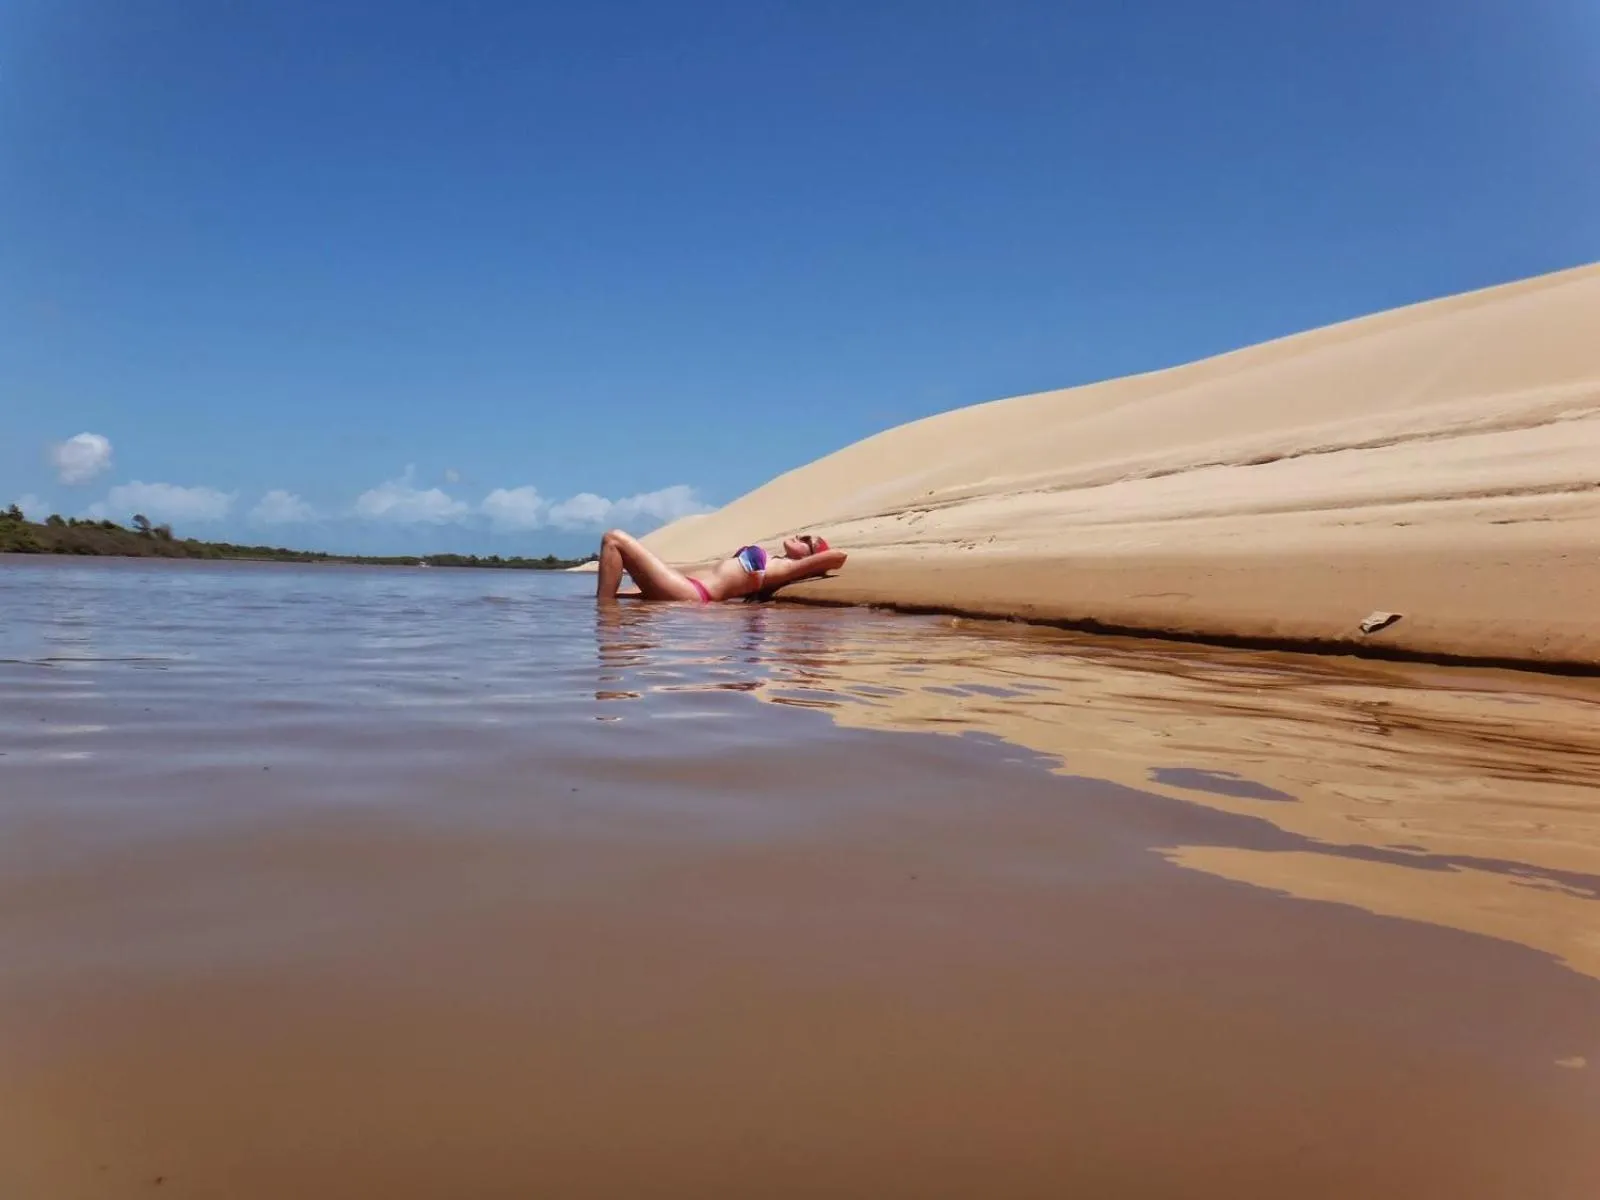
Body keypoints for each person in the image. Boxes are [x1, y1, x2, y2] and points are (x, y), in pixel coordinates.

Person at [595, 528, 846, 603]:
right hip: (686, 586)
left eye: (807, 541)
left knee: (614, 539)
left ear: (809, 557)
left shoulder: (787, 568)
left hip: (692, 595)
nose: (800, 536)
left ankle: (604, 620)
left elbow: (838, 556)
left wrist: (813, 563)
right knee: (619, 594)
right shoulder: (777, 561)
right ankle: (606, 609)